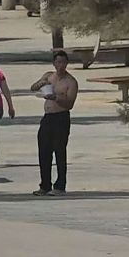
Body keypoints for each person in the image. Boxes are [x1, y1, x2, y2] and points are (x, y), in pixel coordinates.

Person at [29, 50, 79, 196]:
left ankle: (60, 186)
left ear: (67, 63)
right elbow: (33, 88)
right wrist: (41, 83)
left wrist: (56, 98)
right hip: (47, 118)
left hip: (61, 118)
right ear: (54, 63)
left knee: (59, 152)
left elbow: (70, 103)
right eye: (58, 62)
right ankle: (45, 185)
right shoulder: (48, 76)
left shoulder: (71, 82)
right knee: (44, 152)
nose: (61, 65)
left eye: (63, 62)